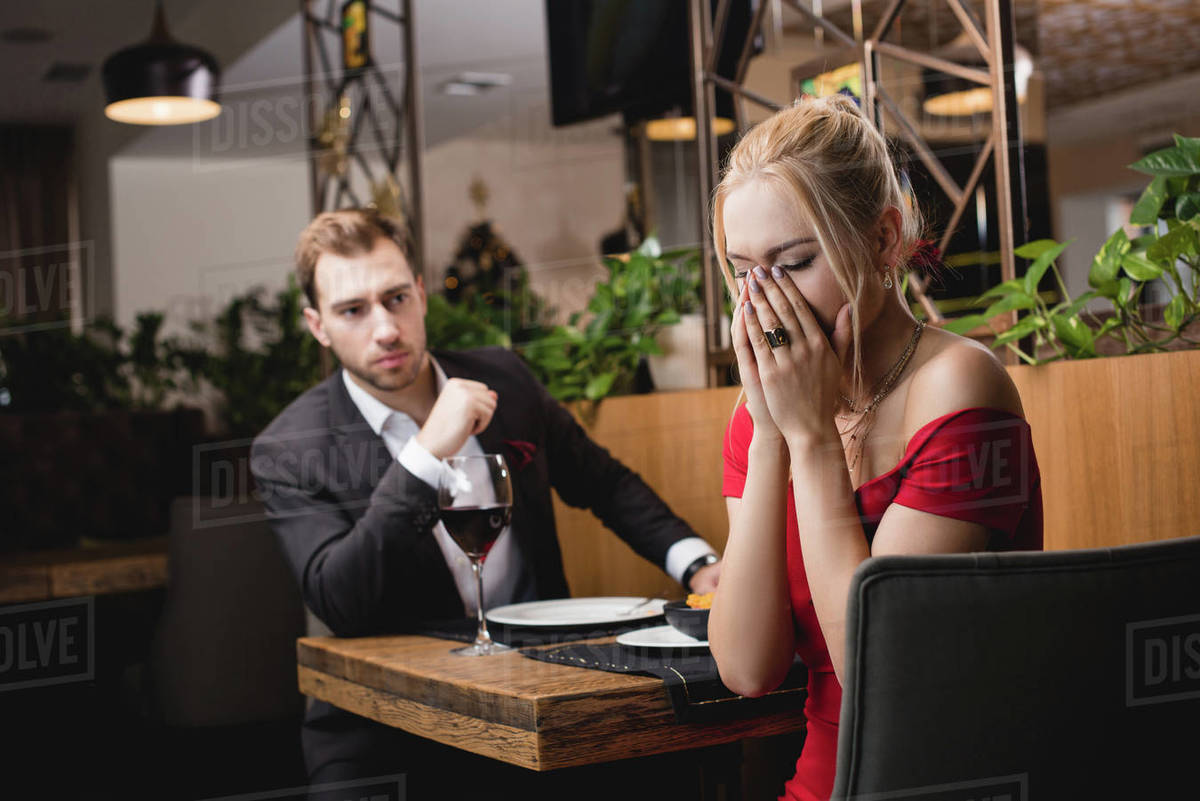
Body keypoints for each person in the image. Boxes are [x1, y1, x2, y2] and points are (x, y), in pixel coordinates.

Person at [250, 208, 721, 785]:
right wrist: (426, 453)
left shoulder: (505, 380)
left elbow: (604, 482)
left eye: (396, 299)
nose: (386, 329)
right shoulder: (290, 449)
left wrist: (697, 564)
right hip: (390, 726)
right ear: (318, 325)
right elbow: (342, 600)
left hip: (542, 689)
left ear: (421, 294)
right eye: (353, 310)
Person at [706, 95, 1043, 801]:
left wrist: (810, 439)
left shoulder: (959, 387)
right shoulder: (764, 412)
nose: (766, 303)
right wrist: (770, 434)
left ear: (885, 241)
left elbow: (883, 675)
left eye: (795, 262)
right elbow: (746, 668)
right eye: (744, 271)